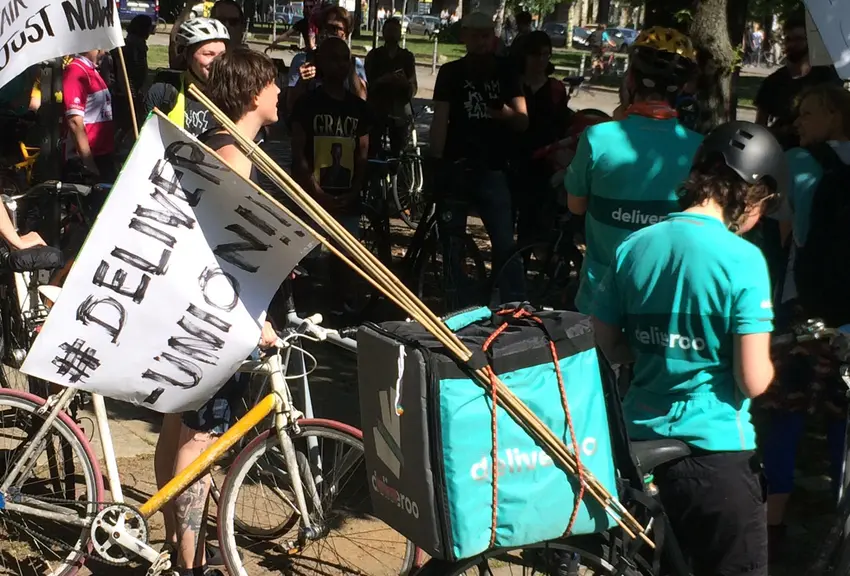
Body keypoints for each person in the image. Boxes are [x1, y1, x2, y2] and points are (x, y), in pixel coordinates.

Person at [592, 120, 788, 576]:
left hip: (638, 448)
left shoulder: (635, 246)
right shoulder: (742, 259)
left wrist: (656, 348)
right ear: (752, 192)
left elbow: (604, 344)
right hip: (715, 454)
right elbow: (752, 380)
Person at [153, 47, 281, 576]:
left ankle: (174, 544)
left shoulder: (224, 145)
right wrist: (254, 319)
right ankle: (190, 562)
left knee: (176, 427)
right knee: (201, 438)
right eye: (273, 85)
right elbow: (222, 253)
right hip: (213, 318)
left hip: (197, 311)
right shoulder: (234, 156)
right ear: (253, 95)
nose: (280, 93)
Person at [757, 84, 850, 561]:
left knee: (786, 414)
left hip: (804, 309)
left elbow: (787, 227)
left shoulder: (800, 162)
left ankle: (772, 527)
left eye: (809, 113)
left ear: (834, 114)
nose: (800, 122)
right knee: (841, 417)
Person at [565, 26, 702, 314]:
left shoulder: (597, 138)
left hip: (601, 301)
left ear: (630, 79)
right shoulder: (699, 149)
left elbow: (576, 206)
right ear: (684, 88)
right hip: (665, 303)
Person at [429, 11, 528, 304]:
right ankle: (459, 300)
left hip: (494, 167)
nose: (481, 41)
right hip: (457, 164)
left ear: (493, 37)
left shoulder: (506, 71)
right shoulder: (450, 73)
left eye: (486, 35)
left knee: (503, 242)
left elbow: (523, 120)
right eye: (475, 34)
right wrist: (435, 161)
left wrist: (505, 114)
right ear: (465, 37)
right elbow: (440, 122)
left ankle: (514, 302)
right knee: (452, 239)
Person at [290, 37, 371, 315]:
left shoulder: (358, 108)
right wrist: (315, 192)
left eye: (344, 58)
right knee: (305, 258)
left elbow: (363, 152)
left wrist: (354, 190)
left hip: (346, 193)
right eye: (332, 58)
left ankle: (343, 307)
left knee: (346, 257)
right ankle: (301, 309)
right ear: (320, 63)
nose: (339, 64)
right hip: (312, 195)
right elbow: (298, 152)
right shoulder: (308, 104)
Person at [511, 30, 570, 249]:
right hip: (514, 160)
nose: (542, 60)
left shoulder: (555, 88)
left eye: (546, 54)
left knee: (533, 224)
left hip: (543, 163)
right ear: (525, 56)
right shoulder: (514, 85)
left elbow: (561, 125)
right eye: (536, 54)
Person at [754, 13, 841, 150]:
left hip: (821, 155)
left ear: (810, 42)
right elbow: (759, 128)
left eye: (799, 39)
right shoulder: (773, 82)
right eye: (788, 39)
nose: (792, 44)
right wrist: (783, 131)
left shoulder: (827, 77)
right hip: (781, 154)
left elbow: (839, 121)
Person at [145, 18, 229, 136]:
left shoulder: (232, 94)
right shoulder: (163, 92)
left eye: (222, 55)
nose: (217, 62)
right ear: (186, 54)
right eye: (208, 54)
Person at [285, 5, 367, 116]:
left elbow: (362, 101)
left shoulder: (354, 63)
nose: (327, 32)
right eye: (324, 27)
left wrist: (349, 68)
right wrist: (302, 82)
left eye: (335, 29)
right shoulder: (302, 60)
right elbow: (290, 105)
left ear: (346, 34)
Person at [365, 17, 417, 157]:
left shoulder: (407, 57)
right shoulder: (374, 55)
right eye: (389, 30)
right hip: (378, 106)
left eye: (395, 30)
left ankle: (397, 169)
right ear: (383, 33)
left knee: (399, 148)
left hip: (399, 107)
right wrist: (383, 80)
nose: (392, 34)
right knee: (373, 145)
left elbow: (413, 86)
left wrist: (405, 83)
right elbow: (367, 84)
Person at [63, 50, 116, 186]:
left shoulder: (91, 70)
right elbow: (74, 121)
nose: (105, 51)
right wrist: (88, 163)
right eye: (100, 47)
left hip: (104, 154)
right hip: (90, 158)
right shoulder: (76, 71)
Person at [110, 15, 152, 135]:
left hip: (133, 92)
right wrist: (130, 94)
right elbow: (123, 73)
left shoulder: (139, 47)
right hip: (125, 94)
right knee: (125, 125)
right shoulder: (130, 47)